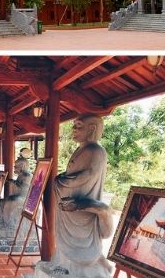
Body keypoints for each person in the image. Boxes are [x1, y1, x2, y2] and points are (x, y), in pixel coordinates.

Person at [36, 114, 113, 277]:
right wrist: (63, 178)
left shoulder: (96, 151)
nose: (74, 130)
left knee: (80, 242)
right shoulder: (81, 149)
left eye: (78, 126)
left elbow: (88, 175)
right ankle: (62, 264)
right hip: (68, 203)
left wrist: (62, 181)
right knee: (63, 241)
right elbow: (74, 172)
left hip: (81, 204)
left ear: (92, 128)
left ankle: (79, 269)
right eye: (74, 126)